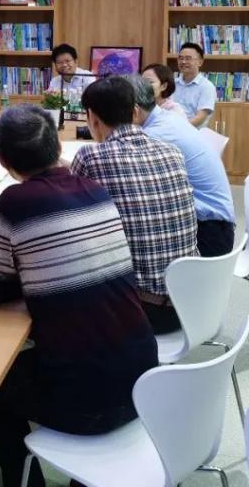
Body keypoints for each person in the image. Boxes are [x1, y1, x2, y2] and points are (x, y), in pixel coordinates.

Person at [0, 105, 158, 487]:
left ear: (3, 160)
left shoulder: (15, 203)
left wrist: (14, 257)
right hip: (145, 378)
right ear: (57, 148)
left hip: (90, 399)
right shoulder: (95, 190)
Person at [70, 76, 198, 334]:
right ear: (135, 112)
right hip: (191, 301)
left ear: (92, 118)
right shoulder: (172, 152)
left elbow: (66, 220)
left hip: (137, 312)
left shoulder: (90, 156)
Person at [128, 74, 236, 259]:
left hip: (208, 234)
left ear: (134, 111)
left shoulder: (155, 134)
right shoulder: (167, 117)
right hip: (215, 222)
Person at [172, 42, 217, 128]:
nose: (183, 62)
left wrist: (179, 129)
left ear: (200, 62)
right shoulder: (172, 84)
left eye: (188, 58)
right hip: (170, 130)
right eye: (180, 58)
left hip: (193, 132)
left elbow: (200, 118)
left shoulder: (207, 87)